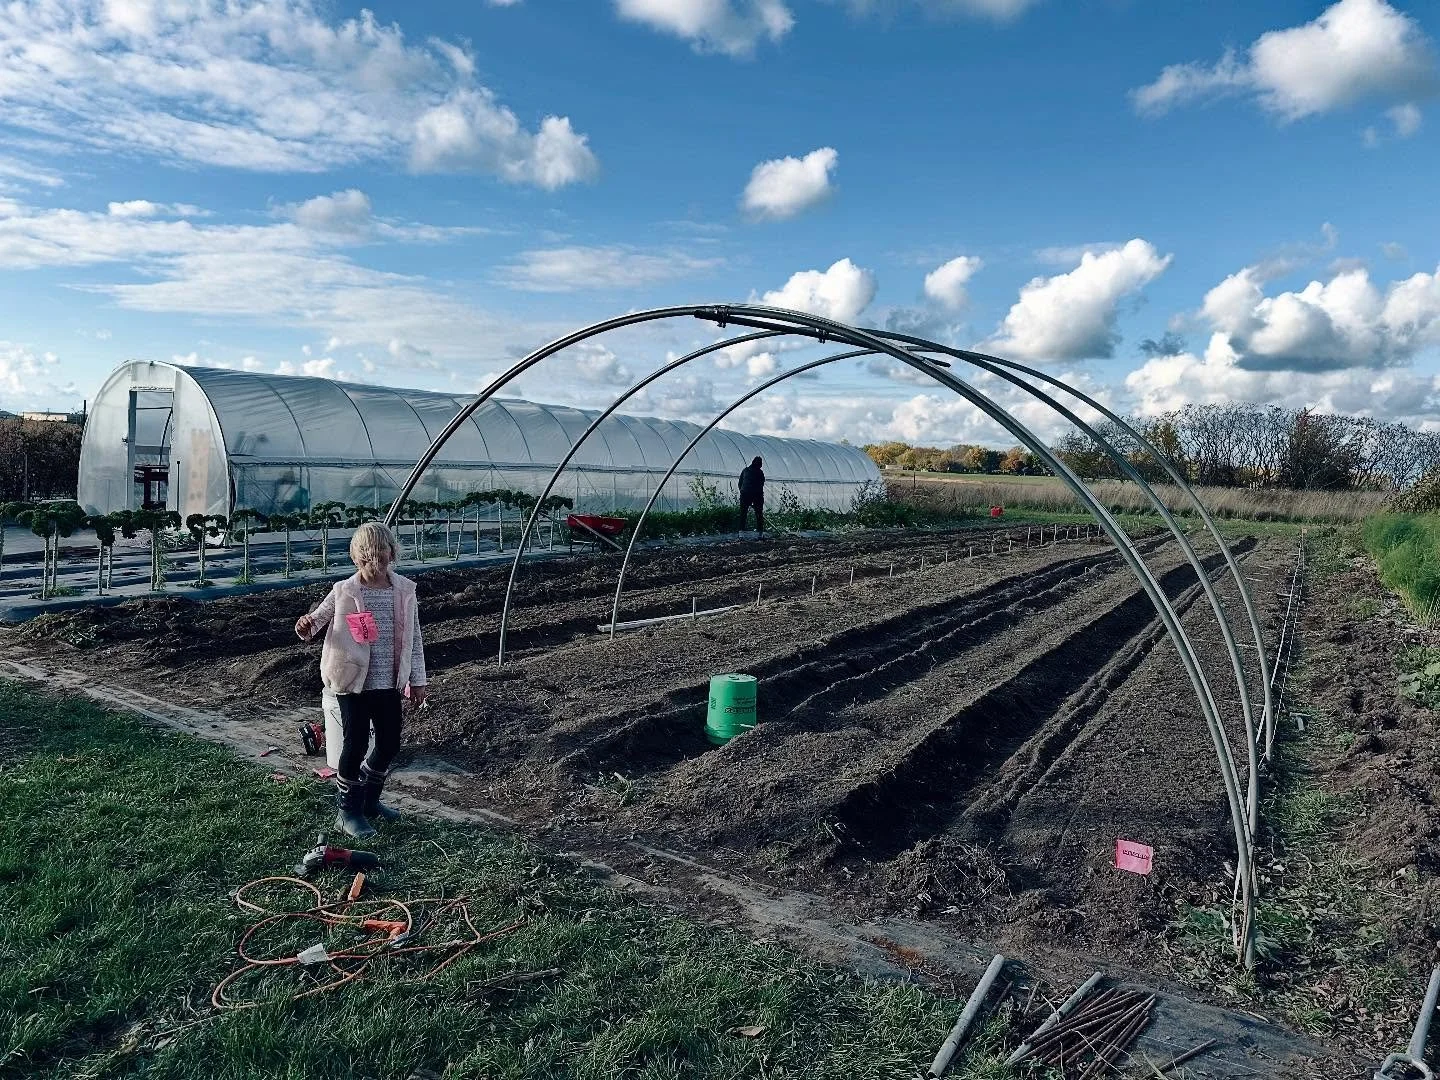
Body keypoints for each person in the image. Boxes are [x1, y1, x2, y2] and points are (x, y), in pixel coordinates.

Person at [295, 521, 428, 839]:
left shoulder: (404, 591)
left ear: (392, 554)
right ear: (355, 557)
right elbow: (316, 622)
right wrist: (304, 626)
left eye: (380, 552)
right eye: (366, 555)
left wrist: (418, 679)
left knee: (389, 743)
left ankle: (369, 801)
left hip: (388, 683)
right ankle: (348, 812)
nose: (374, 560)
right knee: (355, 746)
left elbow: (415, 639)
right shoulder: (343, 591)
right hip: (351, 683)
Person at [738, 455, 765, 534]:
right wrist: (758, 500)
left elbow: (740, 483)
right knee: (759, 513)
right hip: (756, 494)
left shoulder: (745, 470)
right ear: (760, 464)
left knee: (743, 513)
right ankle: (760, 531)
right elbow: (761, 484)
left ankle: (741, 531)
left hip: (745, 494)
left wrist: (742, 492)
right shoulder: (760, 472)